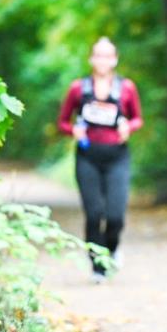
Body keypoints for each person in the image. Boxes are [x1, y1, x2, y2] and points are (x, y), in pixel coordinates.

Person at [58, 37, 143, 283]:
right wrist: (72, 130)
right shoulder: (78, 88)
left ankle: (113, 248)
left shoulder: (126, 88)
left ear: (114, 59)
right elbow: (63, 121)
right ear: (91, 59)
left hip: (117, 157)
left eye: (108, 55)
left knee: (115, 215)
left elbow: (138, 118)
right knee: (94, 214)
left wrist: (130, 126)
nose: (103, 60)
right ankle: (98, 267)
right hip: (87, 158)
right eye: (98, 55)